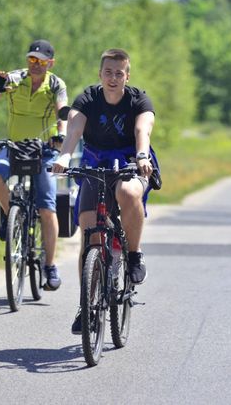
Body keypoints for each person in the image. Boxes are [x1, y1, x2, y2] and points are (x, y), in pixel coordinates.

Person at [52, 48, 156, 334]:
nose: (113, 78)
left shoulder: (138, 100)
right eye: (108, 72)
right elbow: (74, 129)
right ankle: (86, 307)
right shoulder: (88, 98)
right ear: (100, 74)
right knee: (90, 238)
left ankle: (133, 254)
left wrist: (143, 156)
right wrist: (64, 156)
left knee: (128, 193)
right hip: (95, 162)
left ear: (127, 76)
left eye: (119, 73)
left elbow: (143, 131)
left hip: (131, 159)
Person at [0, 39, 68, 291]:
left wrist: (61, 135)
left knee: (47, 208)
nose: (35, 64)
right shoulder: (15, 78)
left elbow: (62, 111)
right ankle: (12, 216)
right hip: (14, 146)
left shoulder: (56, 84)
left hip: (44, 149)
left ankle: (50, 266)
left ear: (51, 63)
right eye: (31, 59)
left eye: (41, 61)